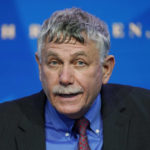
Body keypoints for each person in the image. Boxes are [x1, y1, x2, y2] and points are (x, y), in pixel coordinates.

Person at [0, 7, 150, 150]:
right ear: (40, 67)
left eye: (80, 63)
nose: (65, 78)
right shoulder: (4, 125)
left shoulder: (145, 114)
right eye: (54, 62)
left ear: (106, 69)